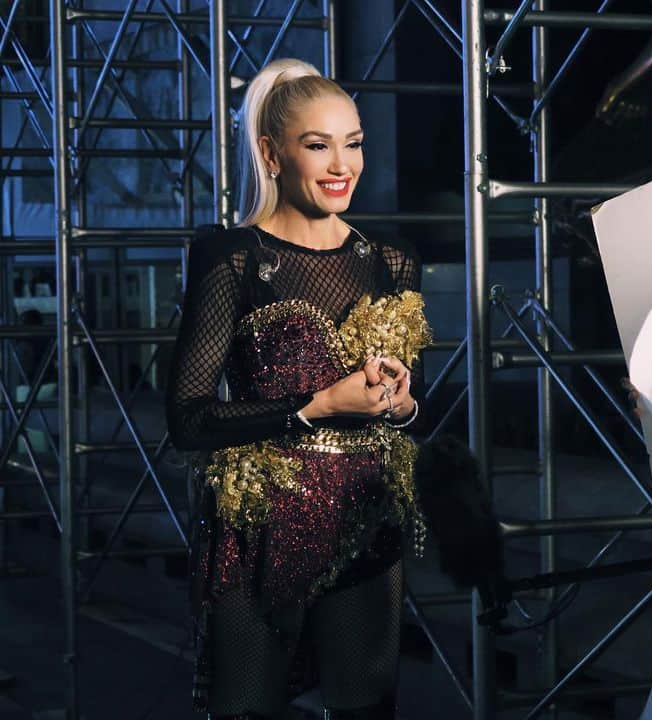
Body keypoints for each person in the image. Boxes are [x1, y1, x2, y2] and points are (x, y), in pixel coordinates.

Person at [166, 58, 430, 719]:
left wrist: (401, 402)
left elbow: (411, 403)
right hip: (258, 530)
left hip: (367, 522)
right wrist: (315, 408)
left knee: (368, 710)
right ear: (271, 153)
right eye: (318, 145)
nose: (343, 164)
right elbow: (190, 419)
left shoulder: (389, 262)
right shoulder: (232, 258)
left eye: (354, 142)